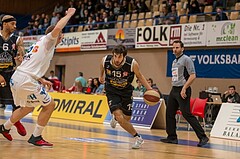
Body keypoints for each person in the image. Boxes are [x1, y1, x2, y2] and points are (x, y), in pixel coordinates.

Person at [0, 8, 76, 147]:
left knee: (27, 107)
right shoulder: (48, 40)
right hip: (24, 80)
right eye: (60, 36)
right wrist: (70, 14)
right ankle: (36, 136)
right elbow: (58, 27)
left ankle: (4, 127)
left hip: (17, 77)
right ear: (56, 35)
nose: (61, 38)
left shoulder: (40, 43)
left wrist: (41, 79)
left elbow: (30, 65)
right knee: (50, 105)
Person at [99, 44, 153, 149]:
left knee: (126, 118)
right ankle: (138, 137)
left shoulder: (132, 64)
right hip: (112, 90)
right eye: (115, 56)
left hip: (126, 91)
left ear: (124, 56)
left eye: (119, 57)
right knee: (120, 117)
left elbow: (140, 76)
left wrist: (150, 89)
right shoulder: (105, 60)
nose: (117, 59)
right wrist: (101, 75)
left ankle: (115, 118)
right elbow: (101, 66)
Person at [160, 40, 209, 147]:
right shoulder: (174, 61)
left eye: (177, 47)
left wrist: (184, 88)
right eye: (173, 47)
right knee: (169, 113)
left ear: (182, 49)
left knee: (186, 114)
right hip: (174, 90)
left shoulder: (186, 59)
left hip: (183, 90)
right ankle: (172, 137)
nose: (174, 49)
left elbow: (193, 75)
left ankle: (203, 137)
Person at [0, 15, 27, 136]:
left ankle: (15, 122)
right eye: (12, 24)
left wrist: (21, 58)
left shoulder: (17, 39)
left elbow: (23, 56)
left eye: (15, 24)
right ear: (4, 24)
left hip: (10, 73)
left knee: (16, 101)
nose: (15, 27)